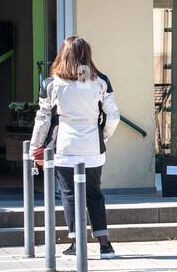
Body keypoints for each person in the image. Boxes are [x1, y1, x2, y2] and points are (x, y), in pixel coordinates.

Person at [29, 36, 121, 257]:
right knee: (94, 195)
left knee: (69, 194)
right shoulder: (101, 81)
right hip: (92, 147)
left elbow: (42, 119)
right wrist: (103, 137)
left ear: (64, 54)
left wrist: (35, 147)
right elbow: (114, 116)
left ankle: (77, 243)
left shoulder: (51, 84)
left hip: (65, 147)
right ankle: (105, 245)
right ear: (87, 55)